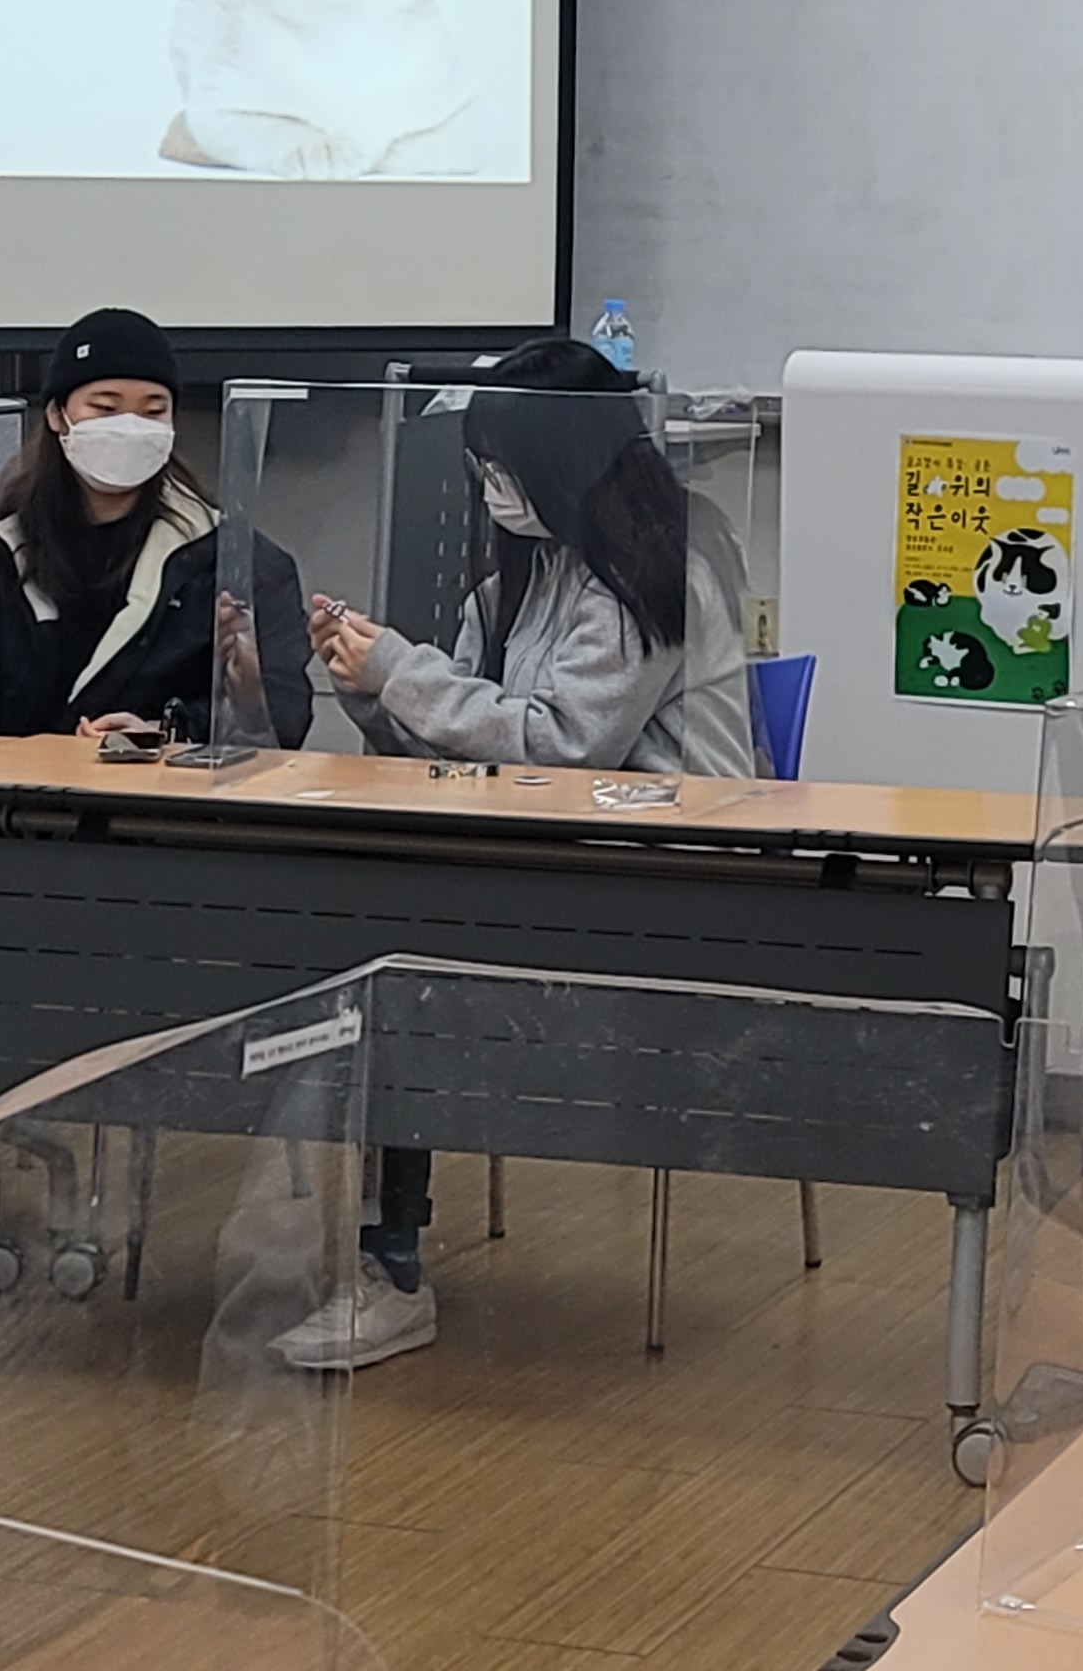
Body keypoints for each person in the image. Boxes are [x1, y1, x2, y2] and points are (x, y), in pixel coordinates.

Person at [270, 336, 757, 1372]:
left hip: (664, 884)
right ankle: (386, 1258)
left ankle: (391, 1270)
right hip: (550, 863)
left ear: (560, 462)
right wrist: (369, 687)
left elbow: (562, 745)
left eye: (502, 465)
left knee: (403, 976)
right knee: (390, 956)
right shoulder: (526, 579)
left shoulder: (655, 577)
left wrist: (402, 671)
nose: (489, 487)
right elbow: (458, 741)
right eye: (479, 466)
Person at [0, 306, 312, 747]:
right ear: (58, 415)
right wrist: (27, 764)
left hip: (164, 791)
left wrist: (165, 734)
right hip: (5, 791)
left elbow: (284, 719)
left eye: (153, 411)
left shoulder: (237, 565)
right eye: (105, 407)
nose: (129, 427)